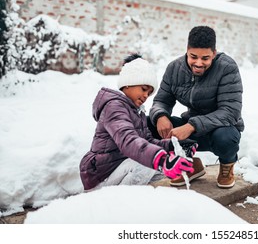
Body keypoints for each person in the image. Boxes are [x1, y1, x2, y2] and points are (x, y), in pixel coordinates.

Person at [79, 54, 197, 191]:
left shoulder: (137, 111)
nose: (146, 96)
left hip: (120, 168)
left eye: (150, 92)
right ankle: (118, 204)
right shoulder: (114, 107)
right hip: (102, 175)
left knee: (158, 168)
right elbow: (128, 141)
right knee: (148, 164)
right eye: (144, 89)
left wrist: (172, 145)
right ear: (128, 83)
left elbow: (147, 141)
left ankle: (135, 200)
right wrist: (162, 160)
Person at [148, 26, 244, 188]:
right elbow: (161, 100)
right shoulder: (174, 68)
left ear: (214, 53)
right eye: (193, 56)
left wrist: (192, 126)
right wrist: (160, 116)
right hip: (191, 128)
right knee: (147, 125)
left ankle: (227, 166)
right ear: (187, 50)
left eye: (205, 58)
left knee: (226, 138)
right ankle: (190, 165)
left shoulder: (227, 68)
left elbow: (230, 112)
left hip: (220, 130)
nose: (198, 63)